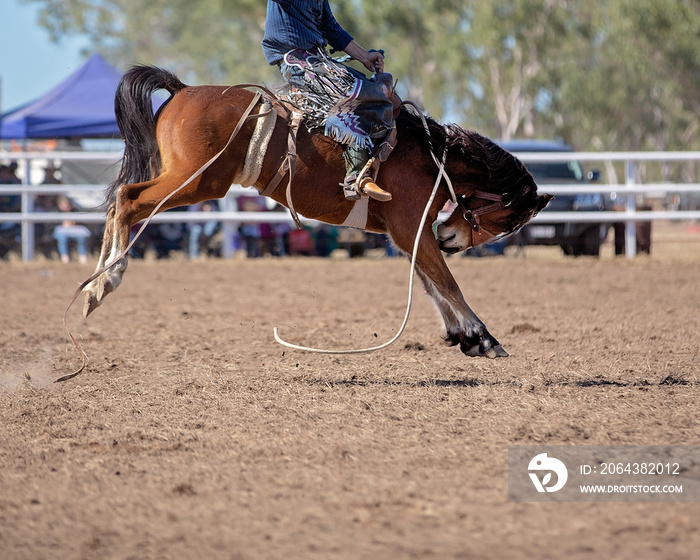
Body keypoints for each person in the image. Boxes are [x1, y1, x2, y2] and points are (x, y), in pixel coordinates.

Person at [262, 0, 396, 202]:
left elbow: (330, 27)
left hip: (319, 60)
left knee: (386, 90)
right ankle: (356, 175)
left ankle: (378, 160)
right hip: (295, 62)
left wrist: (364, 56)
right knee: (363, 94)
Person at [53, 195, 91, 264]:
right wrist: (63, 224)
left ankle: (83, 256)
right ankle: (65, 257)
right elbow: (51, 226)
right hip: (62, 232)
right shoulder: (56, 212)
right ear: (59, 205)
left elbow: (83, 224)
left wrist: (74, 223)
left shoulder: (75, 211)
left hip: (75, 232)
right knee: (62, 237)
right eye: (65, 204)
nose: (67, 206)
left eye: (68, 204)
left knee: (81, 237)